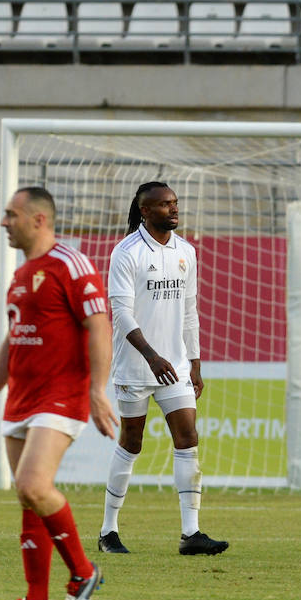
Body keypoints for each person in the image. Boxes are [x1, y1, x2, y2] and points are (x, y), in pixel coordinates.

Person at [0, 187, 117, 600]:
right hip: (21, 398)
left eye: (11, 214)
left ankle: (83, 574)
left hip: (61, 394)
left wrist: (97, 390)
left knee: (33, 485)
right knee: (27, 497)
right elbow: (13, 340)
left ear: (38, 219)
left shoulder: (71, 264)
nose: (3, 222)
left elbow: (99, 326)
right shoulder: (21, 274)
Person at [98, 182, 227, 557]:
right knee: (132, 442)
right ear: (144, 210)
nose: (173, 209)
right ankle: (108, 531)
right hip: (136, 366)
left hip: (176, 366)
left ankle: (191, 533)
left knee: (188, 437)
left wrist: (195, 361)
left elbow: (189, 310)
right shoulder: (127, 253)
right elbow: (121, 315)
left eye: (175, 203)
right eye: (165, 204)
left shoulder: (186, 251)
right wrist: (152, 356)